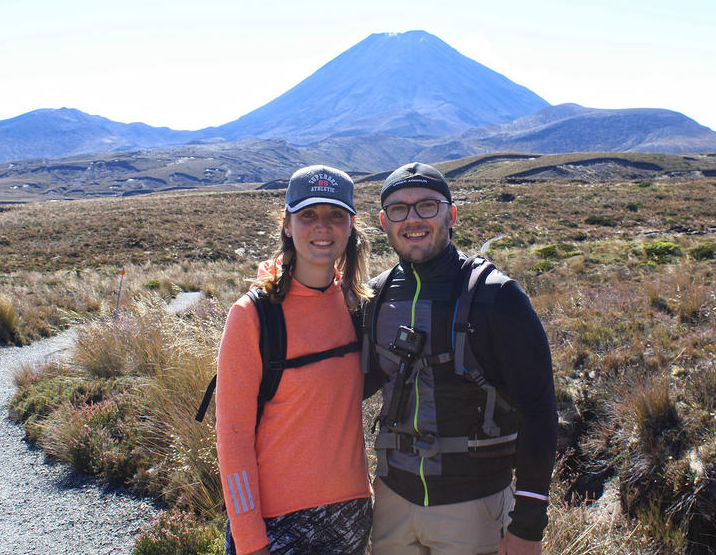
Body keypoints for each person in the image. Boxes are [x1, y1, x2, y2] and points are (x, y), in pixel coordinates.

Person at [363, 162, 557, 555]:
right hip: (391, 502)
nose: (413, 219)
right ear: (384, 222)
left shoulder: (497, 298)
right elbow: (342, 391)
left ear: (451, 214)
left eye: (427, 206)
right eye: (399, 209)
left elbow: (539, 413)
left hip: (474, 509)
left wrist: (529, 526)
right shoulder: (375, 297)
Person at [215, 164, 373, 555]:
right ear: (287, 225)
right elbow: (232, 439)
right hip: (275, 526)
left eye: (336, 215)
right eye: (308, 216)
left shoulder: (360, 306)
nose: (323, 227)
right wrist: (250, 540)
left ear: (351, 225)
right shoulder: (252, 316)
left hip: (352, 515)